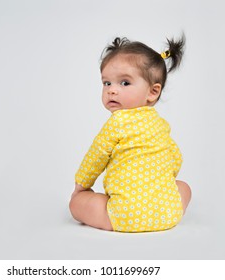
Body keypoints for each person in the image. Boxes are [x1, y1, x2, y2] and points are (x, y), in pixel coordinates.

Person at [69, 35, 191, 232]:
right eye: (107, 83)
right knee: (183, 187)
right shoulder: (160, 124)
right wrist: (160, 184)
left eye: (124, 83)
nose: (112, 91)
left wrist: (81, 186)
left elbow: (96, 156)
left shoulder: (117, 122)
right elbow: (175, 158)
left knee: (76, 204)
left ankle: (115, 217)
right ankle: (161, 213)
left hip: (123, 216)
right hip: (168, 214)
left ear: (153, 92)